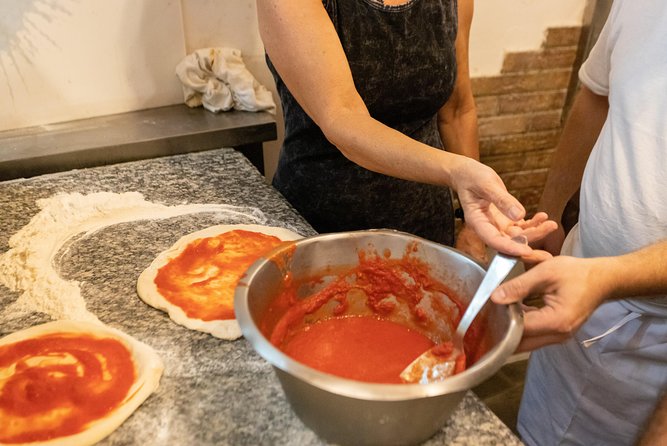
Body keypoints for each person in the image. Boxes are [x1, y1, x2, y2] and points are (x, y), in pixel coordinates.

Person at [489, 0, 667, 444]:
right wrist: (549, 225)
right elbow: (595, 99)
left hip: (653, 350)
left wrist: (611, 275)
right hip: (575, 280)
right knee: (536, 431)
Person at [256, 0, 555, 260]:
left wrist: (474, 218)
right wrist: (457, 171)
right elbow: (343, 119)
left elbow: (457, 110)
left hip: (427, 231)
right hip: (319, 229)